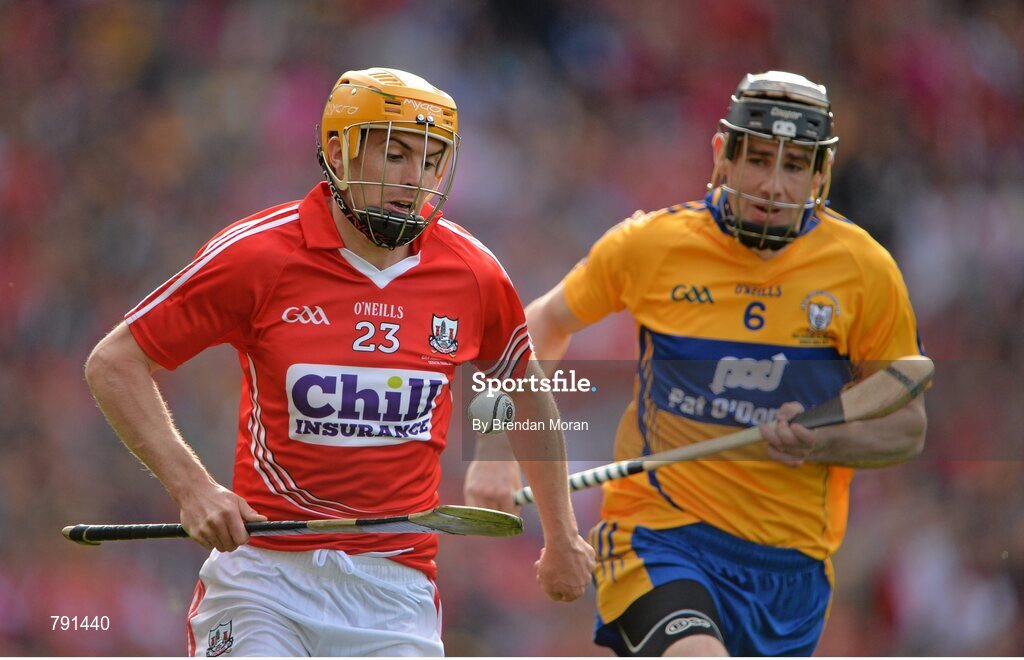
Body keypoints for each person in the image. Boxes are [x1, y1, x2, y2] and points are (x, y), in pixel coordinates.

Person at [85, 67, 594, 657]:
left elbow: (523, 390)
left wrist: (559, 534)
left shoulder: (473, 272)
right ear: (337, 150)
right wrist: (193, 488)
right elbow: (115, 362)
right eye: (397, 155)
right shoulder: (259, 254)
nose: (415, 180)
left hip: (395, 590)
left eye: (431, 162)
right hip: (265, 578)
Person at [465, 71, 928, 657]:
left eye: (794, 166)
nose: (773, 185)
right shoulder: (650, 245)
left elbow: (908, 425)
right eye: (758, 159)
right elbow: (540, 325)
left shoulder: (865, 271)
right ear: (723, 156)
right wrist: (497, 447)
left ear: (821, 175)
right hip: (659, 535)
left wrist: (821, 440)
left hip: (791, 570)